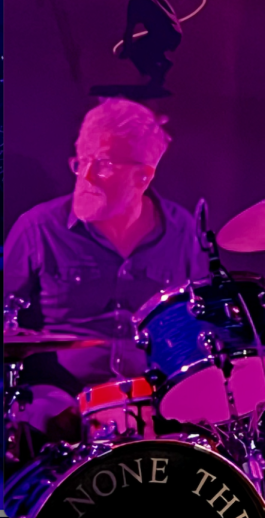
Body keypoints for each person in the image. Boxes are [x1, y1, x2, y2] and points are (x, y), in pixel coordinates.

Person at [3, 98, 206, 443]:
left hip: (156, 404)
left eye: (105, 164)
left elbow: (201, 323)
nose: (86, 176)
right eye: (81, 161)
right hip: (59, 405)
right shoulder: (37, 229)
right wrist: (41, 402)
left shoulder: (182, 230)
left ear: (143, 175)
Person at [118, 0, 183, 91]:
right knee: (147, 48)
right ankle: (160, 65)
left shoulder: (137, 1)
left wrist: (126, 49)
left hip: (163, 35)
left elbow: (129, 29)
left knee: (135, 51)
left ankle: (157, 73)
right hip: (172, 33)